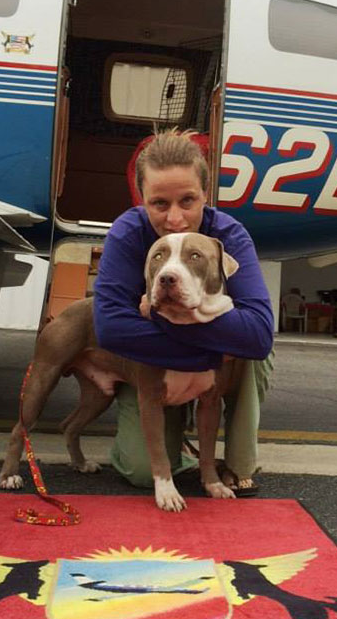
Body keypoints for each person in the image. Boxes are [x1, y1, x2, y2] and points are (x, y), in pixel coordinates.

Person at [92, 128, 274, 495]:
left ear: (206, 195)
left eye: (187, 201)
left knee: (255, 356)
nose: (175, 218)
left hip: (199, 359)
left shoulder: (229, 236)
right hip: (154, 366)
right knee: (143, 473)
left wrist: (154, 315)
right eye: (159, 204)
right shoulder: (128, 234)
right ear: (142, 199)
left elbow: (258, 334)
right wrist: (208, 354)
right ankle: (182, 452)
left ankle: (237, 463)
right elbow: (110, 329)